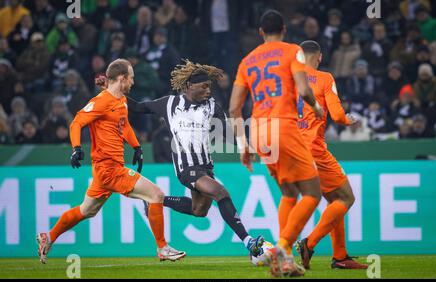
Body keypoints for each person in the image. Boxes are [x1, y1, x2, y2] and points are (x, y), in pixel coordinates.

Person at [105, 60, 265, 258]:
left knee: (199, 211)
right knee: (220, 192)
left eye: (210, 87)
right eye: (204, 86)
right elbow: (137, 107)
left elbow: (225, 134)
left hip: (205, 167)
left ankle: (157, 202)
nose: (208, 91)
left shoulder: (212, 107)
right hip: (186, 168)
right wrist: (110, 89)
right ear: (190, 86)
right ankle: (248, 242)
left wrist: (246, 145)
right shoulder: (169, 103)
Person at [36, 59, 185, 264]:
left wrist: (137, 147)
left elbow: (124, 127)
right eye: (131, 77)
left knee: (86, 210)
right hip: (109, 168)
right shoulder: (101, 102)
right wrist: (76, 148)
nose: (133, 82)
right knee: (156, 194)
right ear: (122, 78)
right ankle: (162, 247)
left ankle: (49, 237)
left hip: (106, 170)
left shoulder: (121, 100)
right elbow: (76, 123)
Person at [229, 10, 323, 277]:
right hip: (283, 125)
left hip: (259, 131)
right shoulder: (293, 50)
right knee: (313, 193)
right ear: (284, 29)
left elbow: (234, 108)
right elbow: (304, 90)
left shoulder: (247, 61)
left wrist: (242, 145)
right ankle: (282, 247)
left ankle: (286, 260)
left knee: (289, 194)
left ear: (260, 32)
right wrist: (315, 107)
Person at [291, 41, 368, 269]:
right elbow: (337, 114)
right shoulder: (324, 78)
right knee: (346, 198)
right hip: (313, 148)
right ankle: (309, 243)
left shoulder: (288, 78)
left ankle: (340, 257)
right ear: (320, 57)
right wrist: (348, 119)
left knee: (335, 202)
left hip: (292, 149)